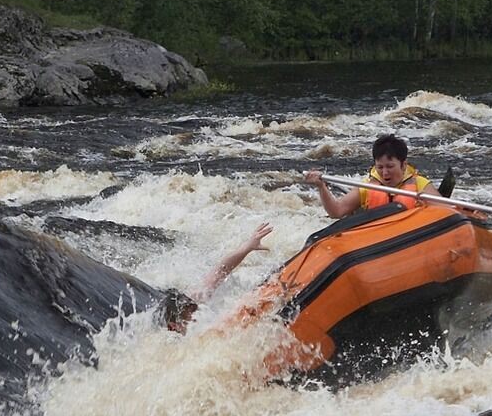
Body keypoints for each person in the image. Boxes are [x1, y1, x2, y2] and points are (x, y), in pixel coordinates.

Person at [156, 222, 272, 332]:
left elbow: (222, 268)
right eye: (189, 312)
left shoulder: (197, 299)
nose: (195, 312)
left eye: (192, 308)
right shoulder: (171, 341)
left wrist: (247, 247)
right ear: (174, 326)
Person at [304, 134, 438, 219]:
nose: (385, 173)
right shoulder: (367, 186)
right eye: (380, 167)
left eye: (390, 167)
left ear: (403, 165)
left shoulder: (420, 185)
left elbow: (451, 212)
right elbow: (336, 212)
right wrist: (321, 187)